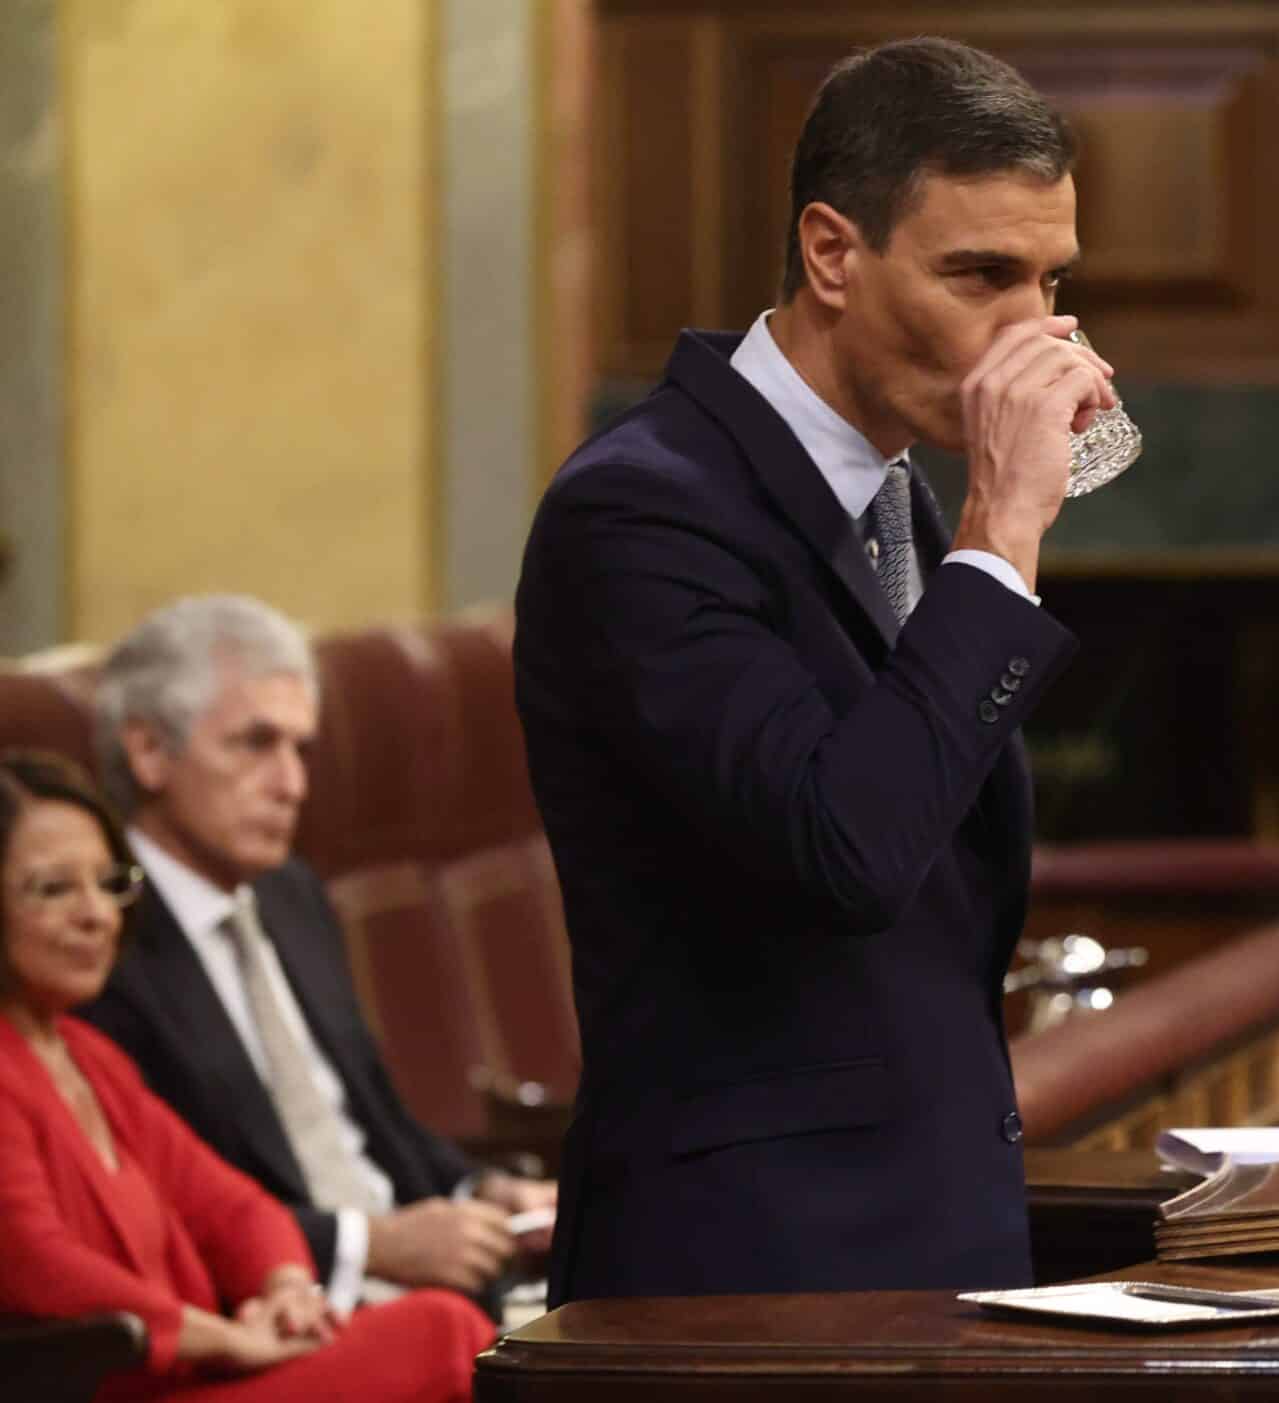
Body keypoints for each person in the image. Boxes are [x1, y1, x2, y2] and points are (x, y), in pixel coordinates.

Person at [514, 37, 1112, 1302]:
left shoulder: (892, 499)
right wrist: (1001, 530)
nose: (1033, 332)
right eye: (980, 276)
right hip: (740, 1283)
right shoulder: (642, 511)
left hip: (926, 1242)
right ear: (832, 252)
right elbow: (845, 844)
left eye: (1050, 279)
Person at [79, 595, 555, 1314]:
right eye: (255, 743)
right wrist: (369, 1244)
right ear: (147, 750)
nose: (292, 785)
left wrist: (478, 1192)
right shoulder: (99, 937)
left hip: (427, 1287)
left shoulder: (289, 893)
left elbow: (371, 1120)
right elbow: (160, 1207)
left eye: (301, 750)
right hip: (281, 1307)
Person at [0, 750, 494, 1401]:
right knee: (446, 1332)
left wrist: (286, 1287)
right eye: (55, 888)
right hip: (134, 1385)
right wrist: (223, 1336)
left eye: (108, 881)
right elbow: (38, 1267)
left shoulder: (88, 1055)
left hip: (197, 1374)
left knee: (452, 1327)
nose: (98, 914)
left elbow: (231, 1206)